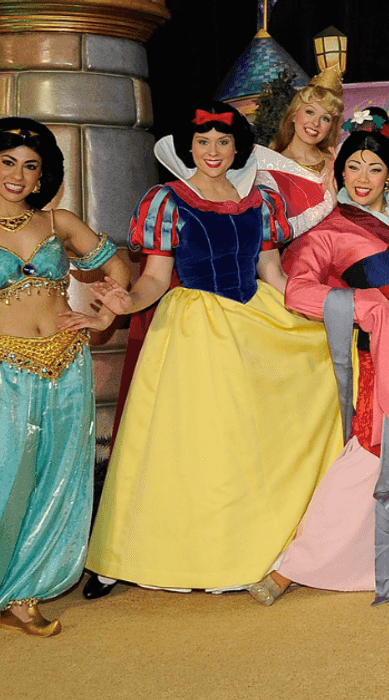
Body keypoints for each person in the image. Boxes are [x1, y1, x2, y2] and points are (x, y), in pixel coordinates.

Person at [82, 101, 344, 595]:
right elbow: (156, 278)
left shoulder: (259, 201)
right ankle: (124, 558)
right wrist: (126, 301)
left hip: (253, 320)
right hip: (195, 329)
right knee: (186, 444)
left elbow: (273, 271)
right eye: (203, 142)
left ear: (237, 147)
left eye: (223, 142)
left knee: (248, 437)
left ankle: (249, 547)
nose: (213, 151)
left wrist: (316, 310)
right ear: (189, 147)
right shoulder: (166, 199)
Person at [248, 124, 389, 605]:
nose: (362, 177)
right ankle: (293, 568)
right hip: (382, 360)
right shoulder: (329, 232)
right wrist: (359, 304)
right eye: (353, 166)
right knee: (370, 455)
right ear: (340, 172)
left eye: (374, 168)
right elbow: (298, 288)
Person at [0, 118, 128, 636]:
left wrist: (104, 316)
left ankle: (21, 595)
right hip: (0, 368)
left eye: (31, 166)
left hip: (66, 365)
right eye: (9, 162)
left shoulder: (58, 222)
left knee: (54, 480)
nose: (19, 175)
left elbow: (120, 271)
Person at [255, 65, 344, 236]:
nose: (315, 123)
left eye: (325, 118)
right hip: (301, 258)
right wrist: (327, 205)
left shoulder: (338, 159)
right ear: (295, 115)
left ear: (331, 127)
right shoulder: (269, 168)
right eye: (310, 112)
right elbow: (272, 232)